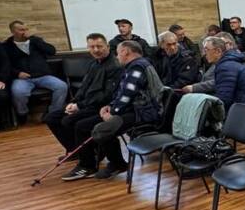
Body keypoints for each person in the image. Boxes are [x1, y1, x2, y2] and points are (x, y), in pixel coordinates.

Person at [48, 34, 122, 179]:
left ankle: (88, 163)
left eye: (99, 46)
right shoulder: (94, 63)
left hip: (101, 107)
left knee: (72, 122)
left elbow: (107, 95)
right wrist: (73, 102)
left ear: (107, 46)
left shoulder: (114, 66)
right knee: (52, 117)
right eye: (92, 47)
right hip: (86, 104)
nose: (96, 50)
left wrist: (79, 106)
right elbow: (84, 88)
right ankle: (76, 150)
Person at [88, 40, 163, 180]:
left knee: (102, 130)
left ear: (126, 52)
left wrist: (113, 112)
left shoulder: (137, 67)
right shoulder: (134, 66)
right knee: (98, 126)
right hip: (137, 109)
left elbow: (128, 94)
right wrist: (111, 105)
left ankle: (118, 164)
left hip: (146, 112)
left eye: (118, 53)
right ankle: (106, 160)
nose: (117, 57)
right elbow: (121, 93)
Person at [2, 20, 68, 124]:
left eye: (26, 29)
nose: (24, 32)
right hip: (22, 78)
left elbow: (52, 51)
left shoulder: (36, 41)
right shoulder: (6, 46)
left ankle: (53, 113)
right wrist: (17, 73)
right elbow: (5, 65)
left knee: (62, 86)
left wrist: (34, 40)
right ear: (13, 31)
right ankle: (22, 113)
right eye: (21, 30)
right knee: (18, 92)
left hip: (43, 75)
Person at [201, 36, 245, 109]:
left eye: (206, 50)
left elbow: (223, 100)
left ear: (218, 51)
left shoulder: (226, 68)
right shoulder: (230, 62)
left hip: (240, 112)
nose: (204, 54)